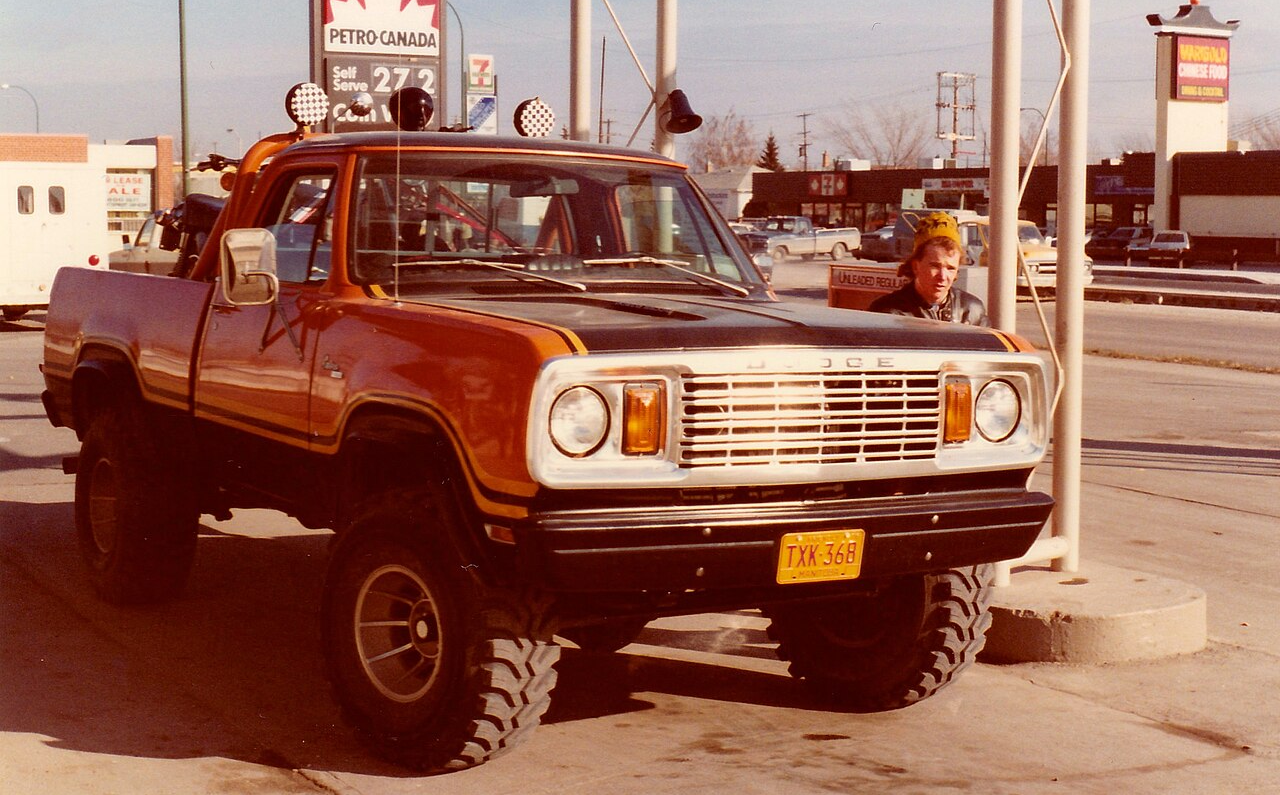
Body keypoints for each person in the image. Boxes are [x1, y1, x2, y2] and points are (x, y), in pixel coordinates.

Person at [869, 211, 988, 326]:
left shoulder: (972, 311)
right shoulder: (888, 313)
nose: (942, 276)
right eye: (935, 266)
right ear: (915, 266)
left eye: (950, 268)